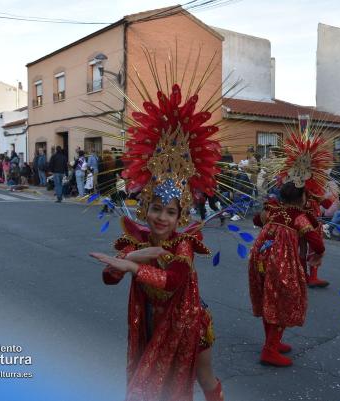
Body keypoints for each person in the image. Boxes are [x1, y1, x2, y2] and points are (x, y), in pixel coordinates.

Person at [90, 82, 224, 401]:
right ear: (145, 208)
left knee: (201, 380)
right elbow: (110, 277)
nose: (161, 218)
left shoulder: (184, 243)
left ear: (180, 217)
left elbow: (174, 281)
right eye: (156, 209)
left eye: (170, 212)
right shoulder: (135, 239)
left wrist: (134, 265)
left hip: (186, 323)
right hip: (149, 322)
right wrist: (125, 264)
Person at [249, 128, 330, 366]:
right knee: (281, 301)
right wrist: (319, 253)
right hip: (279, 263)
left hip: (259, 259)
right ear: (302, 197)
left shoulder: (273, 209)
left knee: (268, 300)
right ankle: (269, 349)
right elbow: (315, 241)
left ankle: (272, 342)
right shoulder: (298, 216)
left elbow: (256, 220)